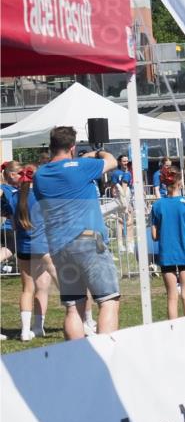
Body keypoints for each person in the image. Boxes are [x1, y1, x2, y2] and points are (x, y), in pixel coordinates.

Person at [32, 126, 120, 340]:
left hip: (59, 246)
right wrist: (96, 153)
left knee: (74, 307)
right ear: (72, 147)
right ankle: (106, 354)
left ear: (52, 146)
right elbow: (112, 161)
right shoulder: (81, 166)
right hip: (89, 240)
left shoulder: (40, 174)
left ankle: (76, 358)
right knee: (108, 301)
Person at [12, 165, 58, 341]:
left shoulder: (15, 197)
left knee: (28, 289)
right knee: (62, 283)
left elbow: (14, 224)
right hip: (43, 247)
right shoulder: (41, 197)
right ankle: (83, 315)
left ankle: (27, 330)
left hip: (24, 248)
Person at [150, 166, 185, 319]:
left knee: (171, 296)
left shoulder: (157, 205)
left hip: (167, 254)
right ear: (179, 183)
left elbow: (154, 235)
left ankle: (172, 330)